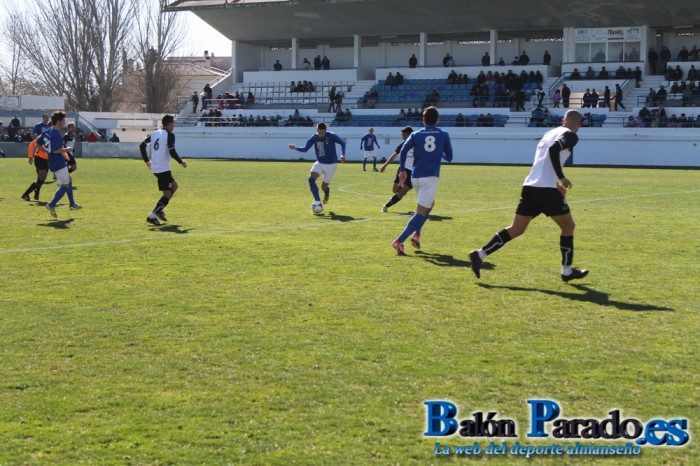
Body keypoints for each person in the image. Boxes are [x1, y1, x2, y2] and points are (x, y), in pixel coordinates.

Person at [468, 110, 588, 282]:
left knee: (516, 229)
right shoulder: (571, 136)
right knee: (568, 226)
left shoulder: (549, 133)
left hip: (531, 186)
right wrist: (560, 177)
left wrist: (555, 184)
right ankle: (567, 271)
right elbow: (554, 150)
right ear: (579, 124)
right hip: (545, 189)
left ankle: (479, 254)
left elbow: (542, 162)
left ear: (563, 120)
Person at [391, 106, 452, 255]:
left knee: (429, 205)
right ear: (437, 120)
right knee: (421, 212)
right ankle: (399, 241)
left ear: (423, 120)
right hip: (430, 177)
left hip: (416, 176)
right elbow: (449, 157)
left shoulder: (416, 135)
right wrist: (439, 154)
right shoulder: (443, 134)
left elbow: (404, 150)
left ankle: (416, 234)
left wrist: (403, 171)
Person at [139, 115, 188, 226]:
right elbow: (172, 151)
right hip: (163, 168)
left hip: (156, 168)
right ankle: (152, 215)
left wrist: (147, 161)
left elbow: (142, 146)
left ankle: (159, 210)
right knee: (170, 192)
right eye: (173, 124)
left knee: (172, 188)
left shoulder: (155, 133)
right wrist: (181, 162)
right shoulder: (170, 135)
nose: (174, 126)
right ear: (169, 124)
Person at [288, 122, 346, 207]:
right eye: (319, 132)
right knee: (311, 180)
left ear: (325, 131)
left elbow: (342, 143)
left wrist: (343, 154)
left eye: (323, 132)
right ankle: (318, 202)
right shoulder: (314, 138)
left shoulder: (332, 136)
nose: (321, 134)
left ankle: (327, 192)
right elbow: (305, 149)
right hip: (319, 163)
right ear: (317, 131)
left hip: (331, 165)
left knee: (324, 187)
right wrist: (296, 148)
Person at [43, 111, 81, 217]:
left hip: (53, 161)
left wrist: (46, 151)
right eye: (63, 120)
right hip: (58, 162)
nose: (65, 122)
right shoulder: (56, 134)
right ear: (59, 121)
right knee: (65, 185)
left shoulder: (47, 131)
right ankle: (51, 204)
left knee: (69, 180)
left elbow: (38, 143)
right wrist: (67, 149)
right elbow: (55, 150)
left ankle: (72, 204)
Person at [380, 126, 414, 212]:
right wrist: (385, 165)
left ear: (408, 135)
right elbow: (394, 155)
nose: (402, 137)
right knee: (395, 190)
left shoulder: (418, 145)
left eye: (403, 135)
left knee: (401, 192)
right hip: (403, 170)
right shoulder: (403, 145)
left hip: (414, 173)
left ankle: (386, 206)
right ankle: (402, 188)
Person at [21, 133, 50, 201]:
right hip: (39, 158)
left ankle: (27, 194)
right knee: (43, 175)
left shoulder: (55, 135)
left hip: (48, 160)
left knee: (41, 178)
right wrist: (30, 156)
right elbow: (32, 144)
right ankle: (33, 191)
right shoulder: (43, 135)